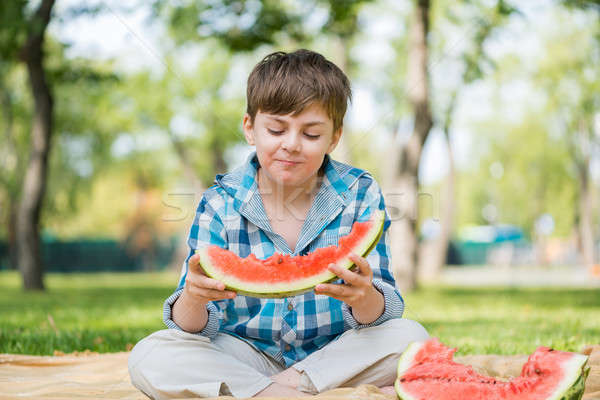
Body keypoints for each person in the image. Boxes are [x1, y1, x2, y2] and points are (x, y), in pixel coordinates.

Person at [128, 49, 429, 399]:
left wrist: (365, 299)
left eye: (311, 135)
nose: (291, 145)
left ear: (334, 138)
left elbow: (382, 312)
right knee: (150, 355)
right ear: (250, 128)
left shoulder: (359, 193)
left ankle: (274, 391)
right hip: (243, 355)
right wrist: (194, 298)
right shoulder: (219, 201)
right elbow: (194, 327)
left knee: (411, 338)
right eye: (276, 129)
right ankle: (287, 392)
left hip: (332, 354)